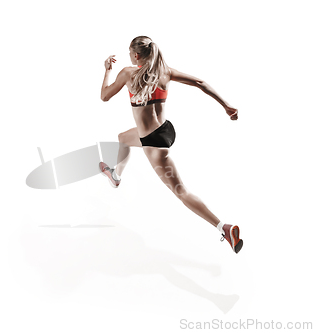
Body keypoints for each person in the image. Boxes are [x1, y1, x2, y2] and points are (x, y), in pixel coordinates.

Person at [99, 36, 243, 253]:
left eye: (130, 53)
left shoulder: (128, 73)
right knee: (123, 138)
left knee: (181, 191)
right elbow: (200, 83)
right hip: (166, 130)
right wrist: (227, 106)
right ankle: (116, 176)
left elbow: (104, 96)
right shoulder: (164, 71)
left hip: (153, 143)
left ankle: (223, 227)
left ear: (136, 55)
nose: (129, 57)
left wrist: (107, 70)